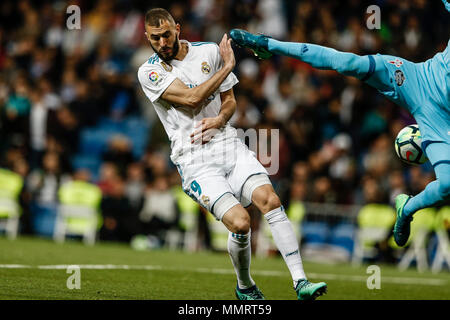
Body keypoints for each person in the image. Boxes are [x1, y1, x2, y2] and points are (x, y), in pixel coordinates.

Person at [137, 8, 327, 300]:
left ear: (178, 28)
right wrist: (227, 67)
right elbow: (192, 98)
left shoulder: (209, 52)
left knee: (270, 200)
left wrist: (221, 119)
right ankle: (245, 285)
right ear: (147, 38)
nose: (161, 43)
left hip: (228, 144)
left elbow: (230, 102)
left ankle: (301, 282)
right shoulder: (149, 71)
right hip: (194, 159)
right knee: (240, 223)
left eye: (166, 35)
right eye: (154, 38)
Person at [229, 0, 450, 248]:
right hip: (419, 78)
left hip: (437, 116)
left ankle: (407, 208)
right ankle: (269, 44)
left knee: (447, 185)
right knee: (349, 63)